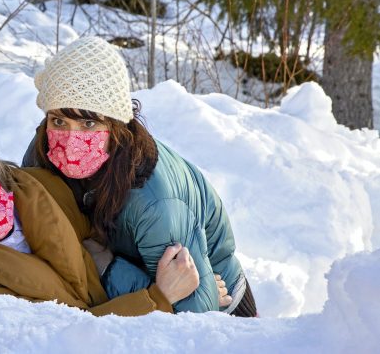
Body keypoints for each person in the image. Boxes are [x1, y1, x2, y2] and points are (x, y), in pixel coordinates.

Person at [21, 36, 257, 317]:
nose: (71, 139)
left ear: (116, 124)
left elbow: (193, 312)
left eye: (88, 122)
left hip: (225, 311)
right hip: (137, 298)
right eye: (59, 121)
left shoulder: (154, 202)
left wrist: (102, 265)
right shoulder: (42, 155)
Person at [0, 127, 204, 316]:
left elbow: (107, 231)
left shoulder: (39, 187)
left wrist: (188, 279)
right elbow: (67, 334)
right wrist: (158, 298)